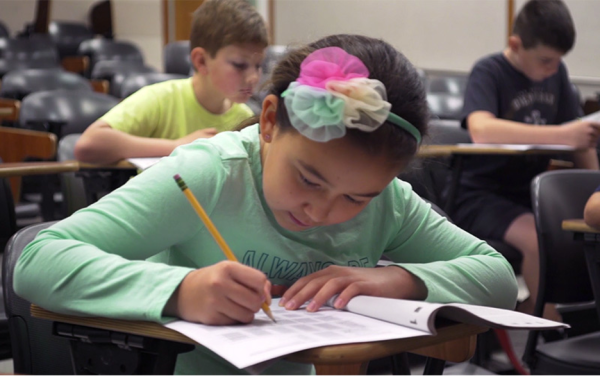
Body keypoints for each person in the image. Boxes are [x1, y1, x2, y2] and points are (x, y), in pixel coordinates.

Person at [15, 34, 518, 375]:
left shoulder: (390, 204)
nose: (322, 211)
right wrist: (179, 290)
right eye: (308, 178)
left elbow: (496, 277)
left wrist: (398, 279)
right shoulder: (210, 175)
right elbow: (40, 259)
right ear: (270, 122)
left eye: (356, 198)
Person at [451, 0, 600, 319]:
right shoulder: (488, 70)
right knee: (539, 238)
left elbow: (579, 139)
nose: (552, 68)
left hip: (529, 195)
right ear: (516, 44)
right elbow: (481, 129)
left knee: (579, 232)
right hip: (480, 197)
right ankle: (546, 341)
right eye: (545, 60)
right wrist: (564, 135)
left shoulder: (556, 73)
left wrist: (595, 187)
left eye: (557, 61)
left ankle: (546, 315)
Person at [74, 0, 268, 165]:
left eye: (258, 66)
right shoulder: (160, 98)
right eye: (240, 65)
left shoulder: (244, 117)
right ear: (201, 61)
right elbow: (88, 144)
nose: (253, 77)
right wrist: (177, 146)